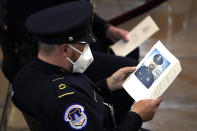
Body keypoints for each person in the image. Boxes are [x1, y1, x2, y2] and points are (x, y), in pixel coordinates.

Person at [12, 1, 162, 130]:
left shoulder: (25, 75)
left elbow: (81, 95)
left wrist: (107, 85)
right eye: (84, 45)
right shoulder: (69, 103)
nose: (88, 50)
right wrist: (137, 116)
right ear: (65, 49)